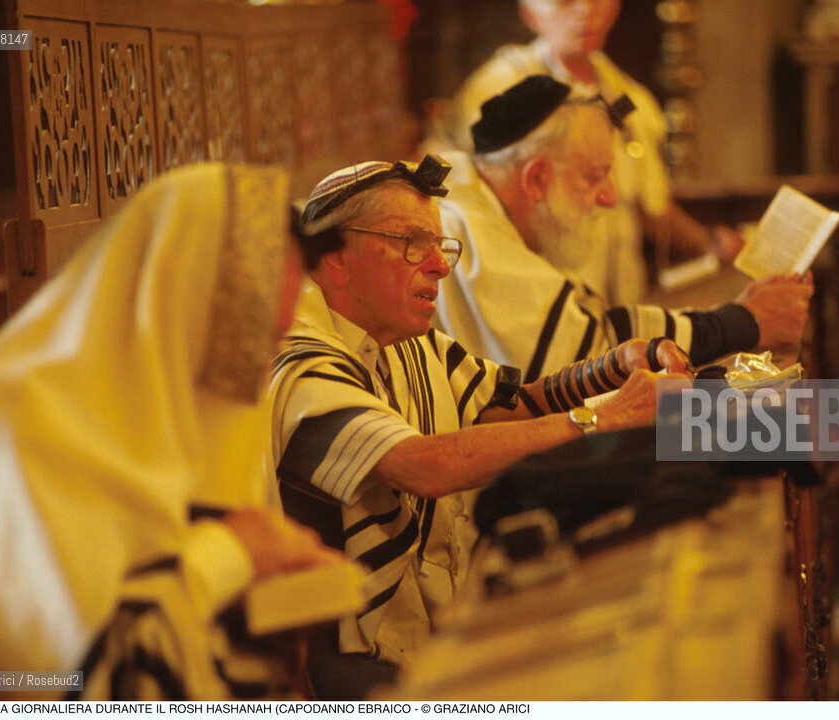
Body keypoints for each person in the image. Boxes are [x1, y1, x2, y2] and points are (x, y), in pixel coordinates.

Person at [269, 156, 693, 698]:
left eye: (440, 247)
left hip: (434, 620)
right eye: (410, 242)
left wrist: (611, 369)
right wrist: (605, 417)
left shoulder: (409, 342)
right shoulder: (302, 362)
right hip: (352, 667)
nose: (439, 266)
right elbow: (424, 464)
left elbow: (514, 405)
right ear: (335, 259)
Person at [0, 163, 345, 700]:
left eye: (273, 344)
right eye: (248, 342)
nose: (251, 377)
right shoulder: (7, 429)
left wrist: (270, 611)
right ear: (172, 302)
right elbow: (74, 684)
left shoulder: (175, 418)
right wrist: (236, 552)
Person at [434, 74, 814, 381]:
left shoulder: (475, 202)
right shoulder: (460, 224)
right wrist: (744, 321)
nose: (610, 198)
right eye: (594, 176)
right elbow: (584, 351)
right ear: (535, 179)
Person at [425, 0, 744, 306]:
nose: (585, 11)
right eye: (566, 1)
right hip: (537, 304)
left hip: (618, 304)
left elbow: (651, 205)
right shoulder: (501, 88)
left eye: (596, 0)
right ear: (530, 14)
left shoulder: (630, 97)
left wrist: (707, 241)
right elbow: (464, 200)